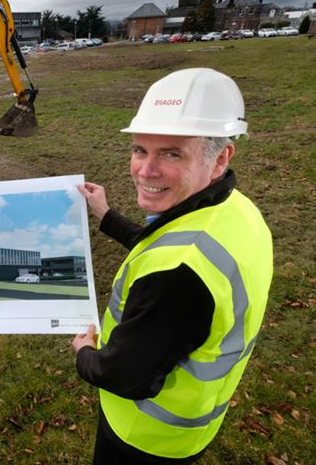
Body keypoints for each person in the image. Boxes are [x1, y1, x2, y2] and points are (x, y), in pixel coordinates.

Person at [72, 68, 273, 464]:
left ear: (220, 158)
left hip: (144, 437)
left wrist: (85, 353)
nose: (145, 171)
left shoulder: (178, 277)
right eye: (140, 150)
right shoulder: (235, 210)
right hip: (191, 426)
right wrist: (107, 215)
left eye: (172, 153)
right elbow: (169, 243)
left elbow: (124, 375)